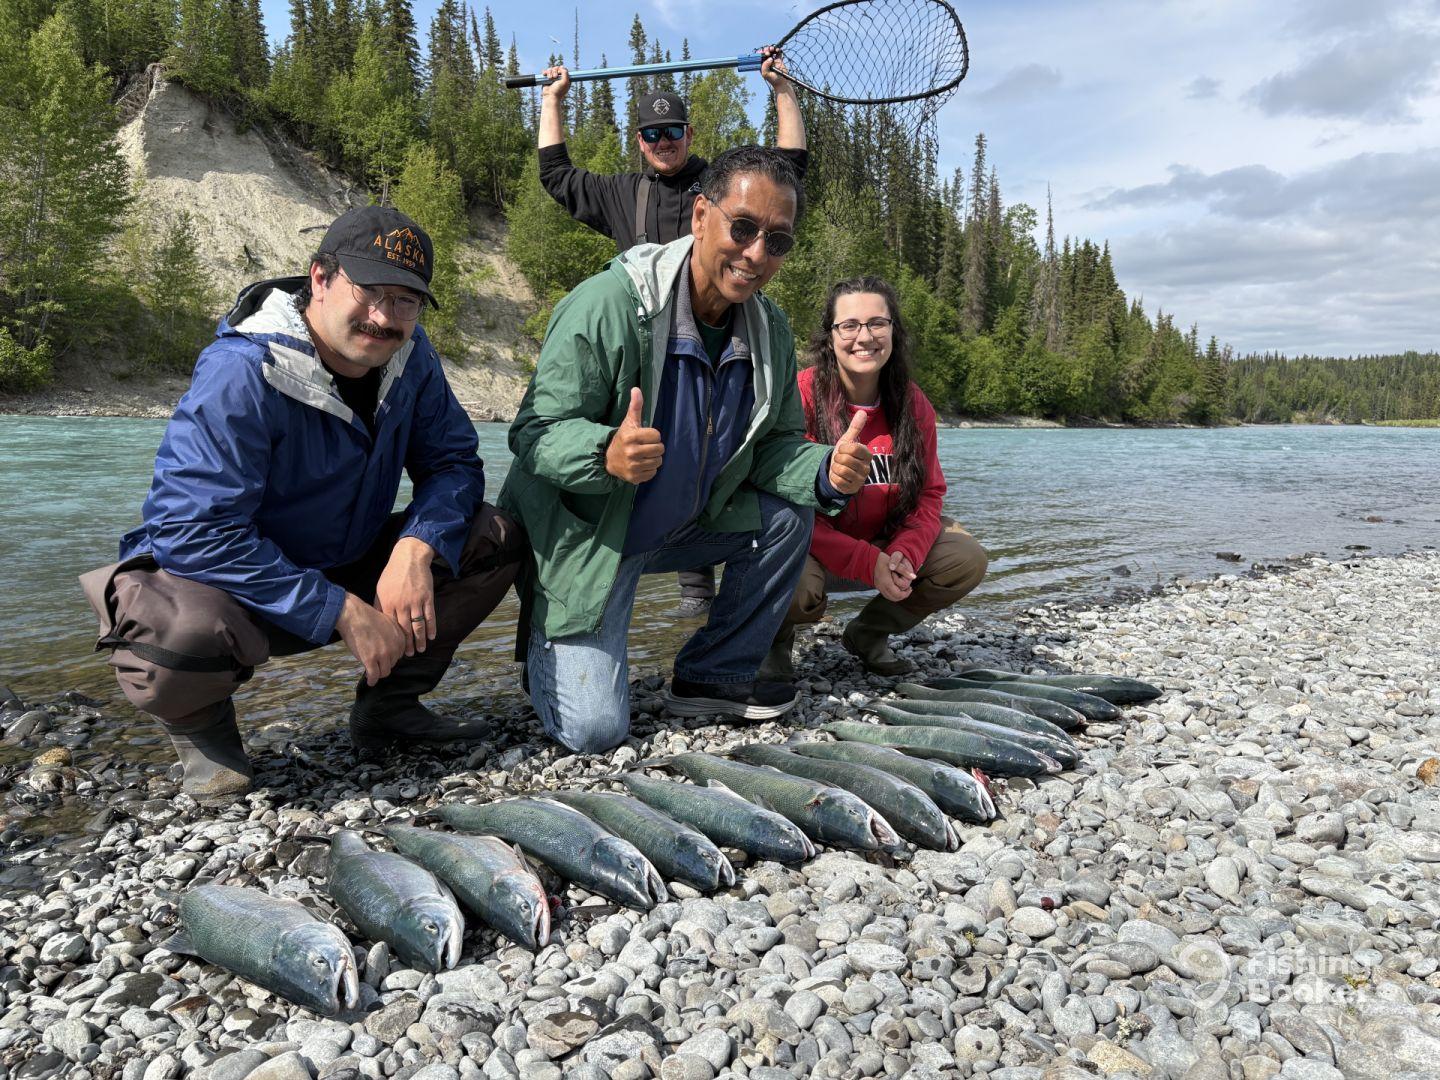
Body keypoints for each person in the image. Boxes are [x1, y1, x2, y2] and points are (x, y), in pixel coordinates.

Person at [80, 206, 524, 801]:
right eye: (369, 291)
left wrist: (416, 550)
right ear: (320, 278)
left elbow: (454, 465)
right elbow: (189, 529)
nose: (384, 317)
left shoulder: (413, 360)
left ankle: (388, 706)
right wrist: (338, 607)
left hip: (344, 554)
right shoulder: (242, 371)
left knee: (492, 536)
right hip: (233, 589)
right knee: (172, 630)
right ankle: (204, 732)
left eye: (406, 301)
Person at [500, 145, 872, 755]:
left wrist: (826, 471)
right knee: (595, 734)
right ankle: (545, 611)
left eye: (777, 241)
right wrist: (605, 455)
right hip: (591, 533)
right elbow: (534, 433)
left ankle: (712, 674)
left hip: (680, 524)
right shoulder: (608, 305)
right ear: (701, 216)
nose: (756, 254)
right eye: (743, 228)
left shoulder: (767, 327)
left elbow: (775, 448)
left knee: (786, 518)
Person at [536, 50, 808, 618]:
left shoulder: (719, 185)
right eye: (651, 133)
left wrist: (782, 90)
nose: (664, 141)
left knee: (709, 450)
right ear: (639, 140)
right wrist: (551, 100)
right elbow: (556, 176)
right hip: (644, 362)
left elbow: (788, 171)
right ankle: (590, 575)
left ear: (689, 135)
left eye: (673, 131)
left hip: (711, 348)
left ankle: (699, 600)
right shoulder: (619, 194)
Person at [763, 276, 989, 678]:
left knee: (964, 558)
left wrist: (906, 552)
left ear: (893, 332)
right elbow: (778, 503)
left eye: (876, 323)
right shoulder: (798, 396)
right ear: (829, 336)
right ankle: (775, 641)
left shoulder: (913, 402)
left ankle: (868, 632)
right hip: (813, 547)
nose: (863, 336)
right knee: (786, 571)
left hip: (883, 544)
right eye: (849, 325)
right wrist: (867, 563)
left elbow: (928, 495)